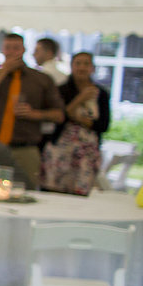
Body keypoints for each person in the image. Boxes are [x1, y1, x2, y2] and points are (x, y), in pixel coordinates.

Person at [0, 33, 63, 189]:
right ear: (2, 50)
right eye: (8, 48)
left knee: (26, 191)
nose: (12, 52)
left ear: (23, 50)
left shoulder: (41, 79)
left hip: (25, 148)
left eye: (16, 48)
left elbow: (59, 115)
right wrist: (3, 71)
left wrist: (34, 114)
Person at [40, 52, 111, 195]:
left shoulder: (101, 93)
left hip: (87, 150)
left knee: (80, 191)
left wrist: (78, 118)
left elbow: (103, 125)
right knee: (54, 190)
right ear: (72, 66)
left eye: (86, 64)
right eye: (78, 63)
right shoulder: (62, 90)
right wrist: (80, 99)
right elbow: (60, 116)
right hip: (61, 148)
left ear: (92, 68)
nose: (82, 68)